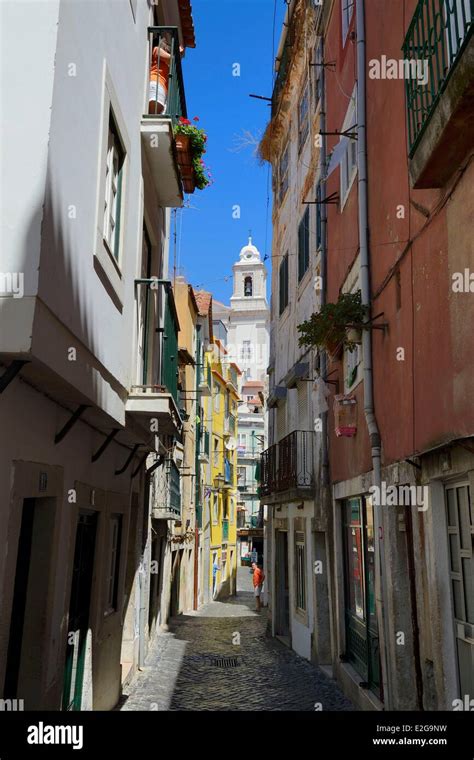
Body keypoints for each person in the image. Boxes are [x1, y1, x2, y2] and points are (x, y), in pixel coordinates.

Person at [148, 38, 184, 115]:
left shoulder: (166, 62)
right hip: (157, 83)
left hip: (161, 87)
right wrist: (177, 53)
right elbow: (172, 59)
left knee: (156, 116)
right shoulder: (157, 50)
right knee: (154, 115)